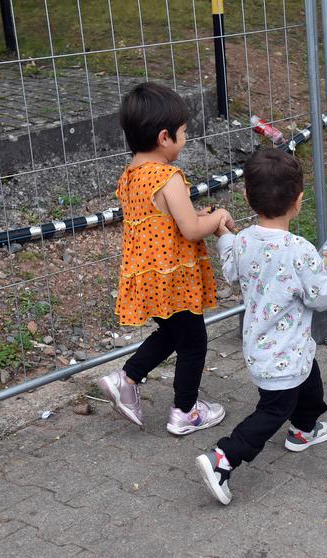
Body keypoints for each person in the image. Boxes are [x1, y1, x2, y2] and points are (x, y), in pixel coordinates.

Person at [196, 148, 327, 505]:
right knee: (273, 410)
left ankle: (304, 428)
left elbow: (232, 267)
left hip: (265, 348)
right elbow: (323, 296)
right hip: (284, 353)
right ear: (299, 201)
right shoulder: (300, 250)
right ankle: (224, 457)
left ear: (248, 197)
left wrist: (223, 234)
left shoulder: (245, 240)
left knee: (308, 379)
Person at [97, 82, 235, 436]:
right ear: (164, 137)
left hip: (147, 276)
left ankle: (126, 379)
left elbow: (163, 221)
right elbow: (190, 229)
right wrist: (217, 218)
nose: (186, 140)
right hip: (174, 277)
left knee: (172, 333)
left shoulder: (130, 177)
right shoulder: (167, 177)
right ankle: (185, 412)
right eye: (184, 134)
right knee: (193, 342)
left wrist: (197, 215)